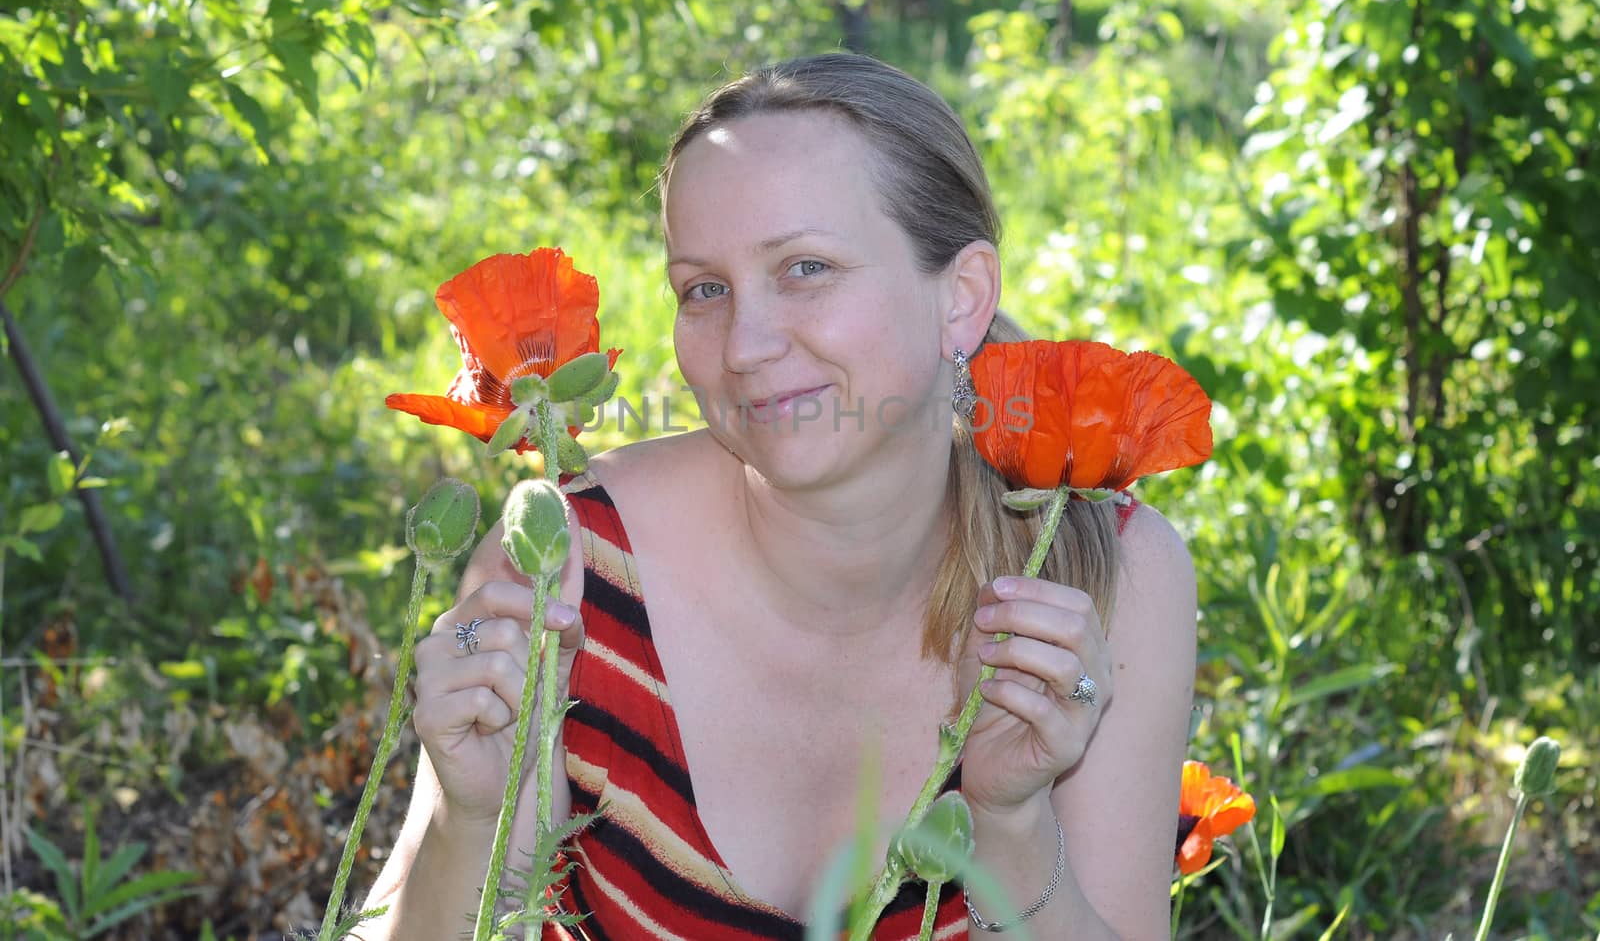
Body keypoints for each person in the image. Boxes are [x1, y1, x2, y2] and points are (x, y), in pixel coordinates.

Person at [363, 53, 1197, 939]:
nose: (747, 344)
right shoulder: (567, 569)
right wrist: (474, 821)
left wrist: (1012, 828)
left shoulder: (1097, 580)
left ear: (962, 297)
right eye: (706, 289)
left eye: (806, 268)